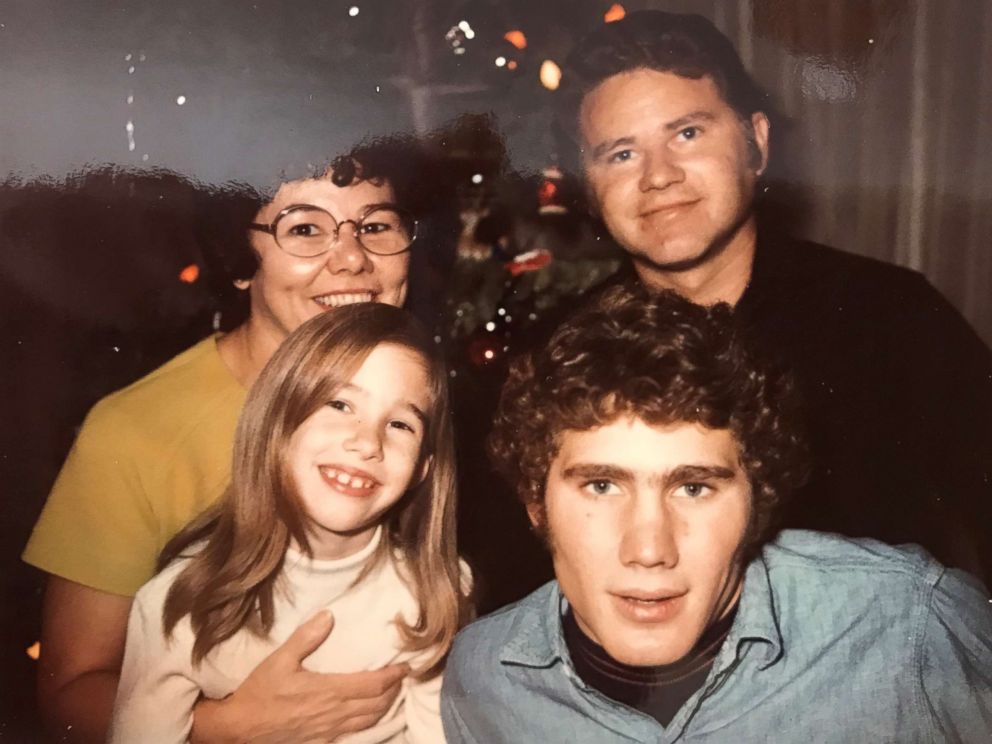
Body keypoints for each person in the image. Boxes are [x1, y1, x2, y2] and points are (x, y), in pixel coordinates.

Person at [22, 137, 453, 743]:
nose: (353, 260)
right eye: (305, 230)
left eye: (375, 225)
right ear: (241, 259)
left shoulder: (419, 405)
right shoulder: (138, 430)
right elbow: (68, 693)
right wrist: (223, 729)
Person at [551, 10, 992, 582]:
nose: (658, 176)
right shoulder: (562, 352)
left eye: (687, 133)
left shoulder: (890, 317)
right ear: (588, 185)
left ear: (756, 142)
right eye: (621, 153)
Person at [441, 286, 992, 743]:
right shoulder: (485, 678)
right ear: (536, 504)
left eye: (695, 488)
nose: (650, 549)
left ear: (759, 500)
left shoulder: (910, 621)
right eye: (603, 486)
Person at [110, 303, 470, 743]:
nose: (366, 442)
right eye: (339, 403)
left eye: (399, 424)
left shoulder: (431, 595)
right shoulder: (180, 601)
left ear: (422, 468)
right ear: (277, 420)